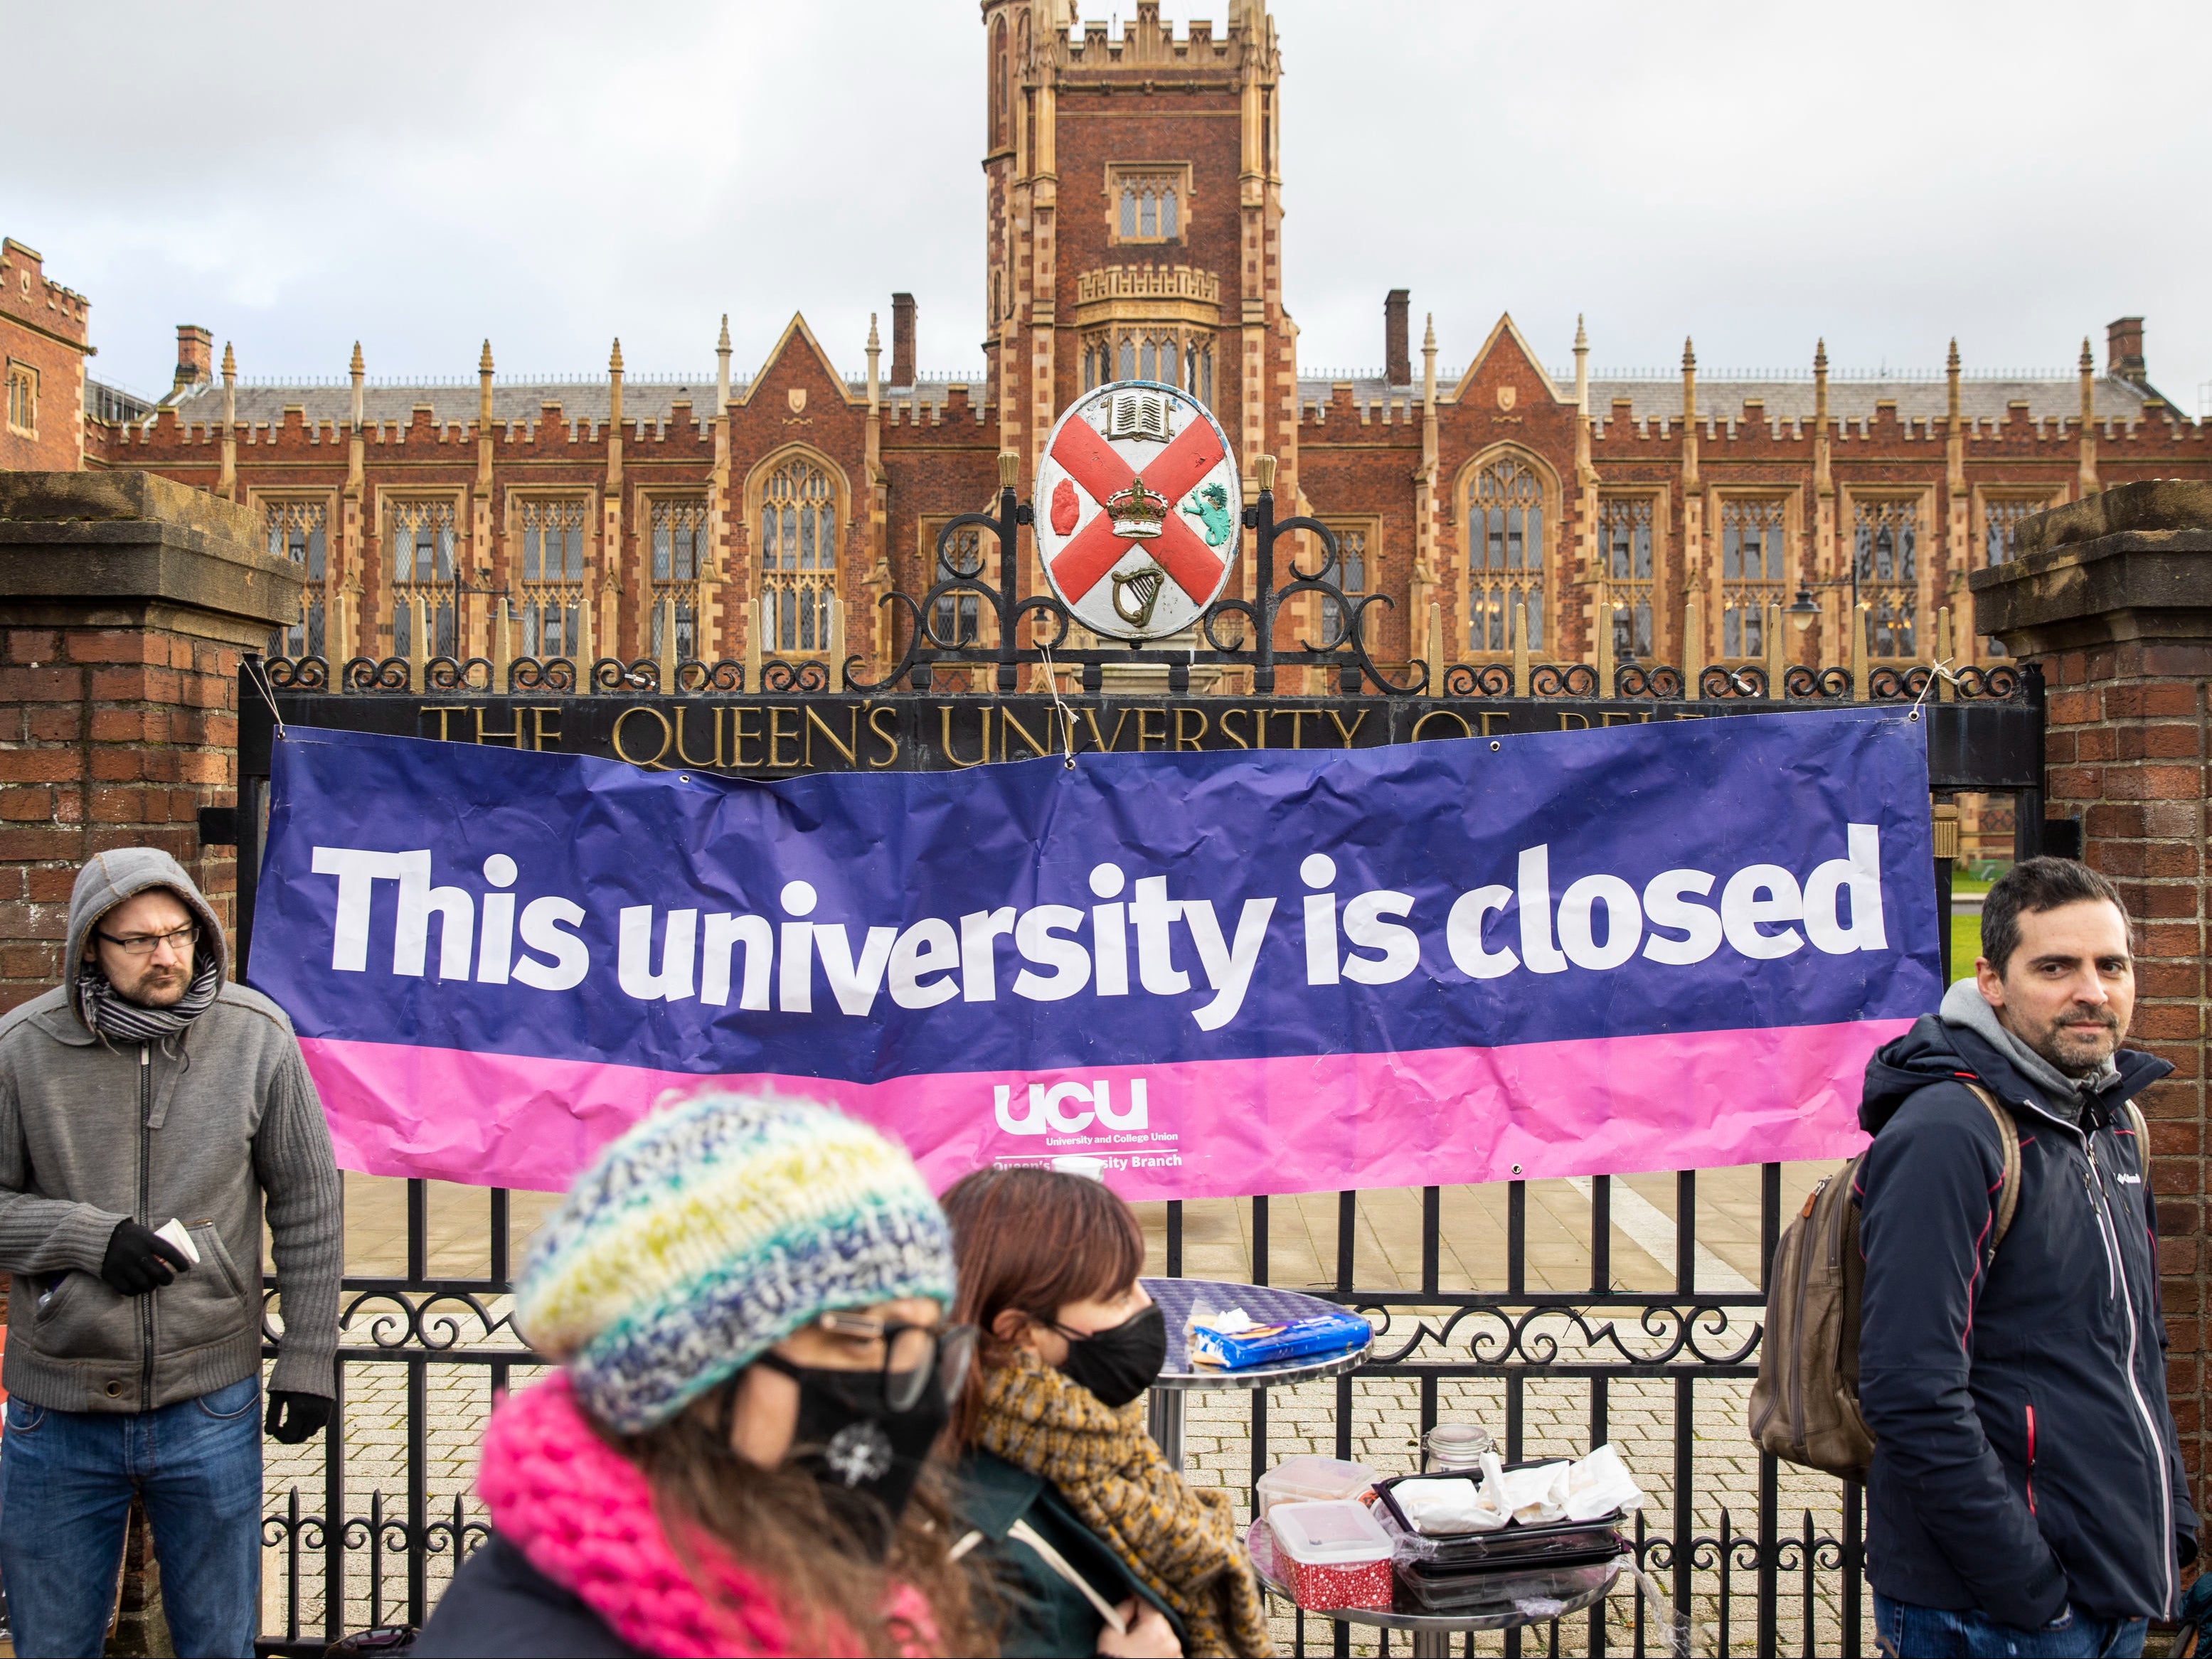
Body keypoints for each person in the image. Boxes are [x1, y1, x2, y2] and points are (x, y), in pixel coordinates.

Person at [414, 1088, 988, 1658]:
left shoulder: (816, 1561)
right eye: (855, 1337)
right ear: (683, 1367)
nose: (913, 1393)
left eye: (926, 1340)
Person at [0, 848, 344, 1658]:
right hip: (60, 1410)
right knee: (53, 1644)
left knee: (220, 1643)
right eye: (138, 940)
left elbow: (308, 1199)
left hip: (209, 1402)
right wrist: (87, 1236)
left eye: (180, 933)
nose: (166, 955)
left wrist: (308, 1357)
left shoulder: (256, 1036)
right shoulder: (22, 1049)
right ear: (90, 943)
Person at [1857, 856, 2197, 1658]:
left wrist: (2171, 1524)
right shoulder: (1950, 1130)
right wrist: (2024, 1584)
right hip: (1994, 1612)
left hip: (2106, 1585)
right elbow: (1907, 1387)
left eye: (2109, 964)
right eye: (2055, 966)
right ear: (1992, 980)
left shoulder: (2109, 1123)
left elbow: (2136, 1351)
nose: (2091, 989)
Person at [941, 1165, 1272, 1659]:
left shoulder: (1088, 1448)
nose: (1146, 1304)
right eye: (1117, 1296)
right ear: (1021, 1333)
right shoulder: (983, 1545)